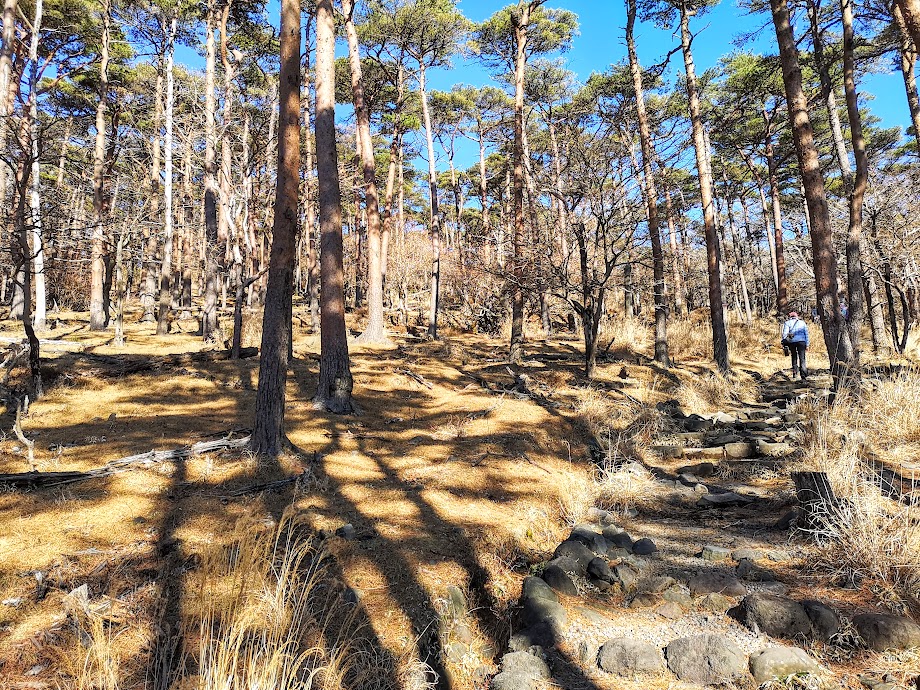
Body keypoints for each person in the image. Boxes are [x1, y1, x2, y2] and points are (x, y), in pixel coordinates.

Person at [781, 311, 809, 379]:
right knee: (802, 358)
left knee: (794, 356)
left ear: (790, 317)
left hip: (792, 342)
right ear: (797, 316)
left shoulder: (787, 323)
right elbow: (806, 334)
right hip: (802, 342)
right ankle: (803, 375)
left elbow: (784, 335)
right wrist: (807, 344)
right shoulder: (802, 322)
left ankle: (795, 373)